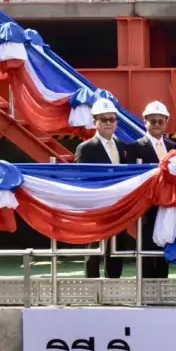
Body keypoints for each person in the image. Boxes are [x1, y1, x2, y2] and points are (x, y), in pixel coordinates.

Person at [74, 98, 130, 279]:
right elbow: (82, 179)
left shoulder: (122, 147)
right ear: (95, 122)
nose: (108, 123)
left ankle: (113, 285)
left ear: (116, 122)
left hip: (118, 205)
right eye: (103, 119)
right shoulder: (85, 148)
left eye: (111, 119)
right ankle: (92, 286)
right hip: (97, 206)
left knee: (117, 248)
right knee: (94, 249)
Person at [133, 101, 176, 279]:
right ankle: (145, 289)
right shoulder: (136, 147)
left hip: (168, 207)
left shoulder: (174, 148)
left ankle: (162, 288)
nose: (157, 124)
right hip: (146, 209)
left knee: (164, 250)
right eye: (153, 121)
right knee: (145, 251)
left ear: (166, 122)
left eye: (161, 121)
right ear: (145, 121)